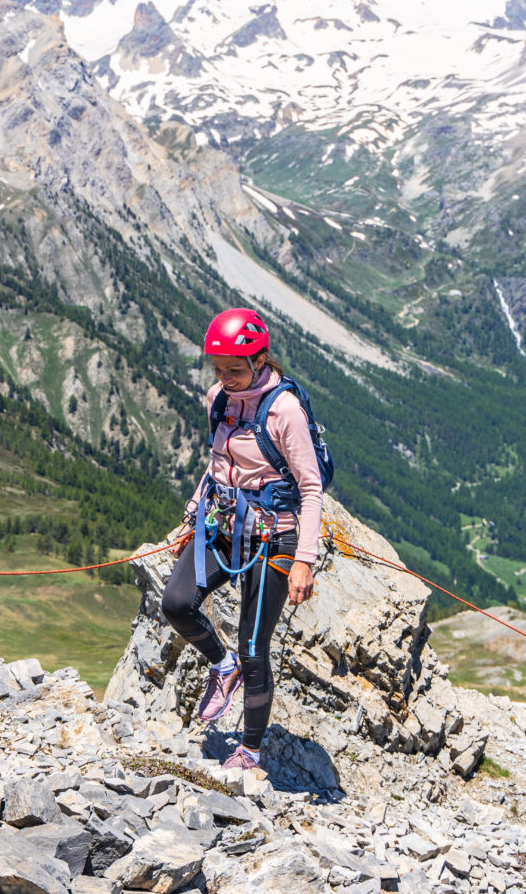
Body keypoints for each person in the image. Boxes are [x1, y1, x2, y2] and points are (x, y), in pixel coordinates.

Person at [159, 307, 321, 772]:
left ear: (261, 359)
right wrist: (191, 519)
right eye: (218, 369)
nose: (226, 378)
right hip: (225, 523)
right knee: (177, 602)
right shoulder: (218, 399)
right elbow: (215, 466)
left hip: (275, 538)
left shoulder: (285, 409)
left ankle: (249, 750)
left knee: (255, 648)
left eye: (235, 369)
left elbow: (311, 488)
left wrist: (303, 561)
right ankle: (220, 665)